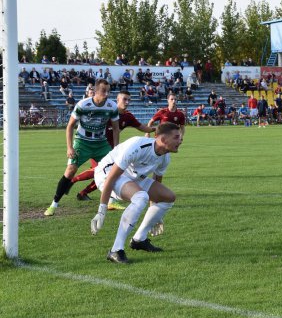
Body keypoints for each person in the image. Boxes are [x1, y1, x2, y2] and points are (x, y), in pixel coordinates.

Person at [90, 122, 183, 264]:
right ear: (163, 140)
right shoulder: (137, 146)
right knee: (140, 197)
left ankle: (139, 239)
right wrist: (102, 210)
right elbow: (111, 178)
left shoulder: (165, 157)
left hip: (132, 177)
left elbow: (157, 183)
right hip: (106, 175)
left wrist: (156, 215)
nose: (181, 140)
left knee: (168, 197)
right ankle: (116, 250)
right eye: (176, 137)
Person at [44, 79, 120, 216]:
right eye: (104, 91)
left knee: (115, 168)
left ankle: (112, 201)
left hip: (101, 143)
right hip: (82, 142)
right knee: (70, 170)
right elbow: (70, 126)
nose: (107, 94)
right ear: (95, 91)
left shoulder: (112, 106)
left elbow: (115, 129)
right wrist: (69, 147)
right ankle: (53, 205)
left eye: (108, 91)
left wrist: (116, 148)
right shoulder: (83, 104)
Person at [74, 90, 156, 205]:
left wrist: (157, 130)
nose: (127, 102)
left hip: (112, 150)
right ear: (117, 100)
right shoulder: (107, 112)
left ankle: (83, 193)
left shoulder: (127, 116)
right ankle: (73, 181)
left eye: (129, 100)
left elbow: (142, 127)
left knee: (107, 174)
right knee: (102, 172)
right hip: (97, 147)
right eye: (124, 99)